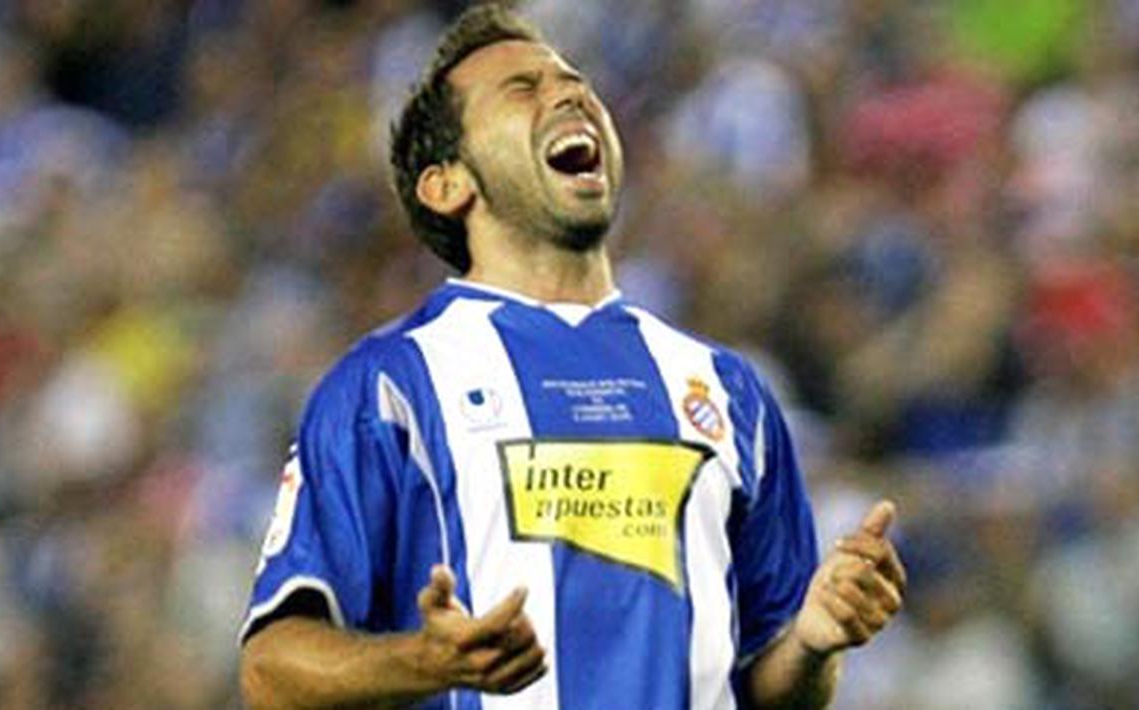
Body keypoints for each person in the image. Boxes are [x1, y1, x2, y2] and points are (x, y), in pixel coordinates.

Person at [238, 5, 906, 709]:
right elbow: (270, 672)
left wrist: (811, 641)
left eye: (576, 83)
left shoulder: (726, 389)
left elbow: (769, 690)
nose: (569, 95)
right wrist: (424, 661)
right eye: (521, 89)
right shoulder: (388, 388)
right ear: (446, 182)